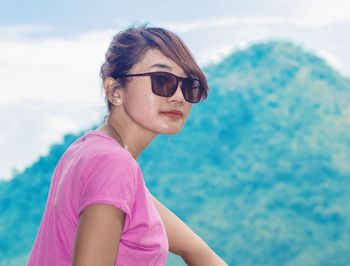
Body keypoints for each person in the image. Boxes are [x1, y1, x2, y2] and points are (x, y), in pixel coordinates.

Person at [28, 25, 227, 266]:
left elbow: (196, 251)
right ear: (115, 91)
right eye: (161, 80)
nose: (178, 97)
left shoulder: (86, 151)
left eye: (189, 86)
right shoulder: (113, 164)